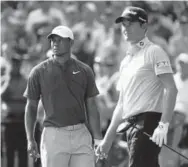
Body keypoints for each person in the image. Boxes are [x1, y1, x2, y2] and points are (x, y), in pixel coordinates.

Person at [96, 6, 178, 167]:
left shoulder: (154, 51)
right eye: (124, 24)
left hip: (149, 123)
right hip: (131, 126)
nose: (126, 28)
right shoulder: (126, 62)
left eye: (130, 24)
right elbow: (121, 104)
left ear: (144, 26)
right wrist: (108, 140)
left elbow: (171, 88)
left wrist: (163, 124)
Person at [24, 25, 103, 167]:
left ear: (71, 43)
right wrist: (30, 139)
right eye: (53, 40)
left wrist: (97, 139)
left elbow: (91, 106)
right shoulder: (38, 72)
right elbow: (31, 107)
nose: (55, 43)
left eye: (60, 40)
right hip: (53, 135)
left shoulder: (85, 70)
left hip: (81, 134)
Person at [1, 55, 28, 167]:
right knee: (9, 152)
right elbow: (2, 96)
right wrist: (8, 81)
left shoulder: (26, 80)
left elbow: (28, 98)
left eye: (17, 65)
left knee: (23, 153)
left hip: (22, 121)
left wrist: (16, 98)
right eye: (13, 65)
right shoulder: (4, 80)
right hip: (9, 121)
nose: (15, 67)